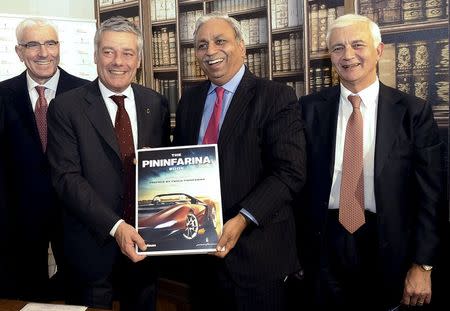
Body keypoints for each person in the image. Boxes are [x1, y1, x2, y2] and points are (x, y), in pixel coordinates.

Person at [298, 14, 446, 311]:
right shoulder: (307, 109)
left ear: (378, 51)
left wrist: (423, 265)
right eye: (338, 48)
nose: (348, 55)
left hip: (389, 242)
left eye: (357, 45)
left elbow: (432, 195)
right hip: (324, 242)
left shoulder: (413, 112)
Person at [172, 13, 306, 311]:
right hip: (202, 261)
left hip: (259, 257)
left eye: (220, 41)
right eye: (202, 45)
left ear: (242, 47)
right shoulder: (189, 102)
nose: (210, 51)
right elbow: (183, 165)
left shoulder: (276, 97)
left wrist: (243, 218)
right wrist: (155, 164)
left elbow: (290, 172)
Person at [46, 16, 170, 310]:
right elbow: (66, 177)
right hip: (91, 248)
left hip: (145, 246)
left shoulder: (155, 102)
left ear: (138, 59)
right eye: (108, 51)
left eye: (127, 53)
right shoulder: (66, 107)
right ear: (95, 55)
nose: (118, 61)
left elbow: (165, 168)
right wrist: (116, 227)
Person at [0, 17, 89, 301]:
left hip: (77, 216)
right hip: (20, 222)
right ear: (19, 51)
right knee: (25, 295)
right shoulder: (2, 95)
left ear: (59, 47)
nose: (43, 52)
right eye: (33, 44)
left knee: (80, 292)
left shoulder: (86, 92)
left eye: (50, 43)